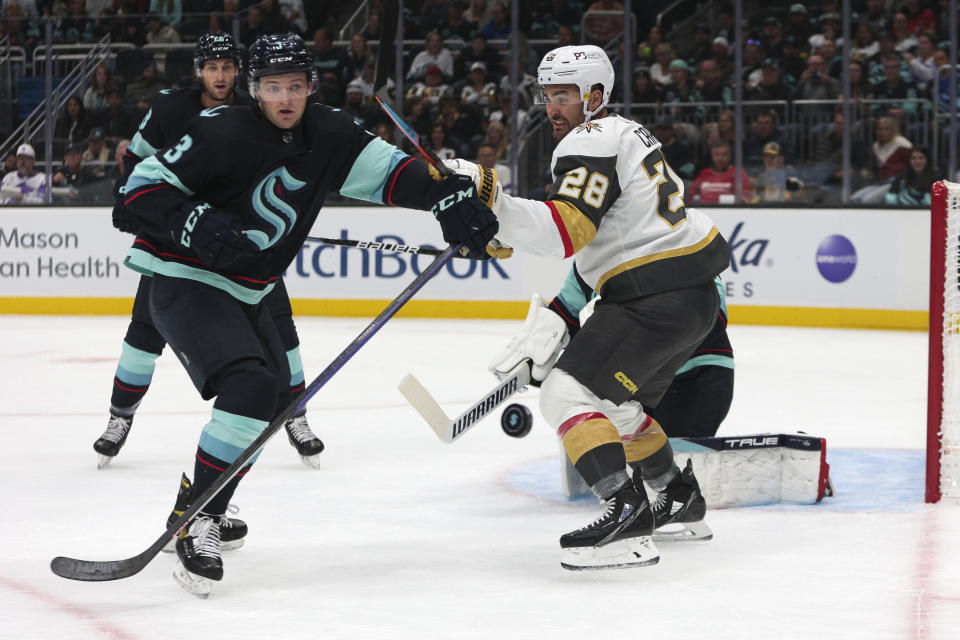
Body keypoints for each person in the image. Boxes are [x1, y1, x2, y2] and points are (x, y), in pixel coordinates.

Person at [121, 32, 496, 597]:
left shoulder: (331, 132)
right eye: (272, 87)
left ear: (311, 87)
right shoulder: (219, 129)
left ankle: (204, 500)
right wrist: (195, 221)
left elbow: (397, 175)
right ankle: (198, 518)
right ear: (255, 89)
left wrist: (447, 198)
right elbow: (138, 190)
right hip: (185, 279)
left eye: (295, 86)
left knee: (275, 401)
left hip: (249, 288)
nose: (285, 98)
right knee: (249, 387)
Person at [445, 45, 728, 570]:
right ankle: (678, 497)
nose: (553, 107)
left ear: (595, 96)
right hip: (692, 299)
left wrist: (495, 200)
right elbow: (607, 238)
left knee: (564, 393)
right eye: (548, 94)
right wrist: (504, 230)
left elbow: (568, 230)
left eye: (565, 95)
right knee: (618, 408)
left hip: (653, 298)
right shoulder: (628, 134)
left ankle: (625, 517)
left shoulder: (590, 138)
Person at [93, 33, 325, 474]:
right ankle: (119, 417)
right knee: (145, 330)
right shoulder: (169, 108)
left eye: (228, 67)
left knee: (280, 326)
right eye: (212, 67)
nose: (221, 75)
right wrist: (127, 200)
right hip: (176, 244)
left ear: (241, 72)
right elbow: (135, 161)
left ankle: (296, 416)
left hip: (244, 246)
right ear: (199, 70)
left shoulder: (257, 113)